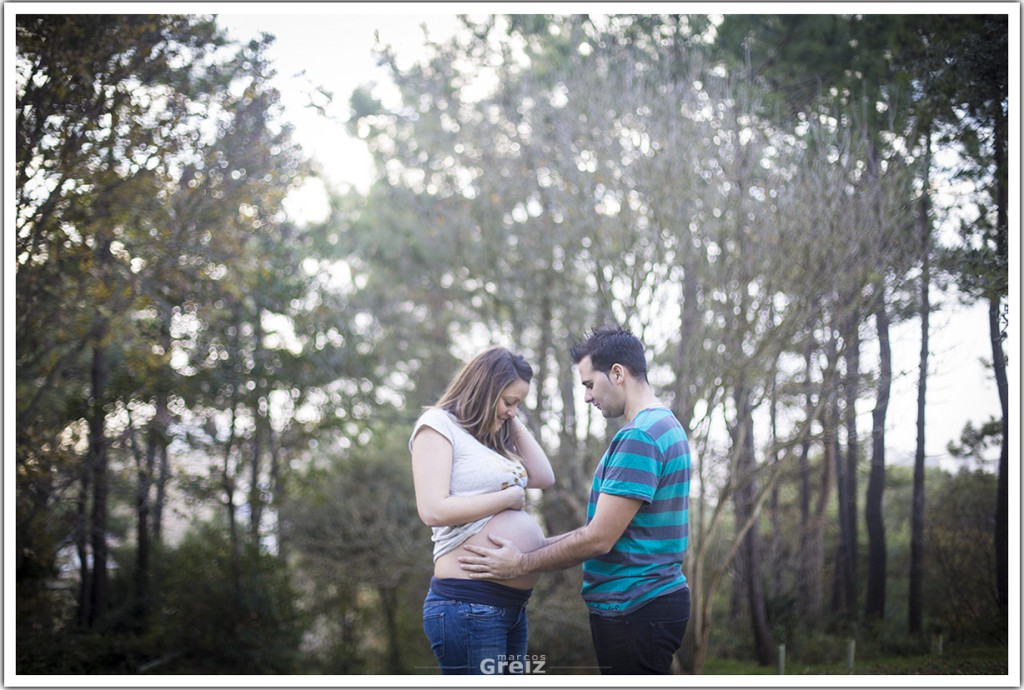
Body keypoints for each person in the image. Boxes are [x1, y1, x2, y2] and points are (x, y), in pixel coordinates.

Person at [459, 326, 691, 674]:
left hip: (634, 607)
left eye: (588, 384)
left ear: (617, 373)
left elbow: (598, 539)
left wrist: (521, 564)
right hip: (646, 606)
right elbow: (605, 531)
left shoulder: (640, 436)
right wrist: (532, 548)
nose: (586, 396)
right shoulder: (665, 425)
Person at [409, 346, 556, 675]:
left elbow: (544, 476)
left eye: (518, 403)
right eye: (509, 401)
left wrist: (510, 417)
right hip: (468, 604)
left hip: (510, 608)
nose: (513, 411)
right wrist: (506, 499)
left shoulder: (491, 439)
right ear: (485, 389)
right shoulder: (437, 425)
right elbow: (433, 510)